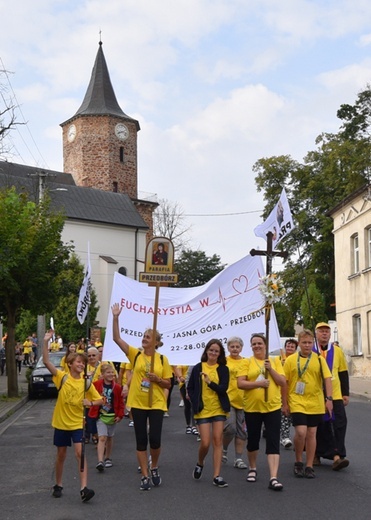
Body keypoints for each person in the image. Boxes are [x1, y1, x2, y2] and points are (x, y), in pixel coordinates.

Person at [112, 302, 172, 491]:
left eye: (148, 337)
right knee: (141, 440)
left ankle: (154, 466)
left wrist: (158, 380)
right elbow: (116, 339)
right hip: (137, 403)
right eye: (144, 336)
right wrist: (115, 317)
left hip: (156, 403)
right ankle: (145, 475)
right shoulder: (135, 355)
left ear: (156, 342)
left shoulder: (163, 359)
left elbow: (169, 383)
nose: (144, 339)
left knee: (155, 439)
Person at [42, 329, 103, 502]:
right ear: (70, 364)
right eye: (78, 362)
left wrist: (90, 403)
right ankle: (58, 484)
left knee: (80, 453)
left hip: (77, 424)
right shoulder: (62, 377)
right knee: (61, 455)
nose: (82, 365)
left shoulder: (86, 382)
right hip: (61, 423)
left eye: (83, 363)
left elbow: (100, 400)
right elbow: (46, 361)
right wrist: (46, 341)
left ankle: (84, 489)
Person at [237, 334, 286, 491]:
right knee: (253, 440)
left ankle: (273, 477)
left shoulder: (275, 361)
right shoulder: (246, 362)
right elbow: (241, 383)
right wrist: (258, 383)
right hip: (253, 408)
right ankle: (253, 468)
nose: (257, 346)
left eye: (259, 343)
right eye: (254, 344)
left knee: (273, 441)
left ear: (265, 345)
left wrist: (270, 369)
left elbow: (282, 382)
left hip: (272, 408)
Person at [283, 329, 333, 479]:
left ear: (313, 343)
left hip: (315, 401)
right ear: (299, 343)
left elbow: (327, 379)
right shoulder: (291, 360)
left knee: (312, 434)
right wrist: (284, 403)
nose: (307, 345)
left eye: (309, 343)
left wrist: (329, 399)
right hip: (297, 401)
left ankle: (309, 465)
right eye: (304, 342)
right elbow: (284, 383)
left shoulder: (319, 359)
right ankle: (298, 461)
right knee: (301, 432)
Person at [187, 339, 230, 488]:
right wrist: (194, 401)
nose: (213, 353)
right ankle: (200, 462)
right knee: (205, 442)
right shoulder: (198, 367)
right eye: (211, 350)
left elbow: (223, 389)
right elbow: (190, 387)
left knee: (218, 440)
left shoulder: (223, 369)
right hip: (203, 410)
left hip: (219, 408)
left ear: (220, 354)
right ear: (206, 351)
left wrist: (209, 382)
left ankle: (217, 475)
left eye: (216, 351)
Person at [314, 322, 350, 470]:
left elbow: (342, 372)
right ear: (316, 333)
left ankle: (338, 455)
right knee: (319, 426)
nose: (324, 334)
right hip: (316, 395)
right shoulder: (311, 350)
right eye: (321, 331)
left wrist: (345, 393)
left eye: (326, 332)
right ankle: (315, 453)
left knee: (340, 424)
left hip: (335, 395)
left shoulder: (337, 351)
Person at [88, 364, 124, 471]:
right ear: (102, 374)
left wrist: (120, 415)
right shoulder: (97, 384)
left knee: (110, 437)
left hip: (112, 415)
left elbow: (120, 403)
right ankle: (100, 461)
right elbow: (87, 388)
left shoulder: (117, 387)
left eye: (112, 372)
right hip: (101, 415)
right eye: (108, 373)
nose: (110, 375)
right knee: (102, 437)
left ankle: (108, 457)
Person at [222, 336, 247, 469]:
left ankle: (238, 459)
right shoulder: (224, 361)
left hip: (244, 401)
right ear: (228, 348)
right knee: (230, 428)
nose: (235, 349)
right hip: (228, 400)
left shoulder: (246, 362)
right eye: (232, 346)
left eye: (237, 347)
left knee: (242, 432)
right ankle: (224, 449)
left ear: (242, 348)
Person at [280, 338, 298, 449]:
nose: (290, 348)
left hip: (295, 391)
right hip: (280, 391)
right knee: (284, 415)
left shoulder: (297, 360)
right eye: (288, 346)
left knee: (295, 417)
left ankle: (299, 439)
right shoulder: (279, 359)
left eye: (292, 346)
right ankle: (285, 437)